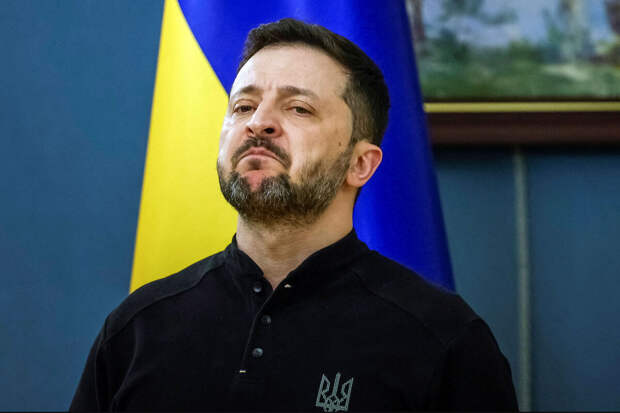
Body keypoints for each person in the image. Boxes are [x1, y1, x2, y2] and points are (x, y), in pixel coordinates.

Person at [70, 18, 518, 411]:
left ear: (360, 164)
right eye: (243, 106)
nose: (258, 123)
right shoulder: (136, 330)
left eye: (298, 108)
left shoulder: (444, 340)